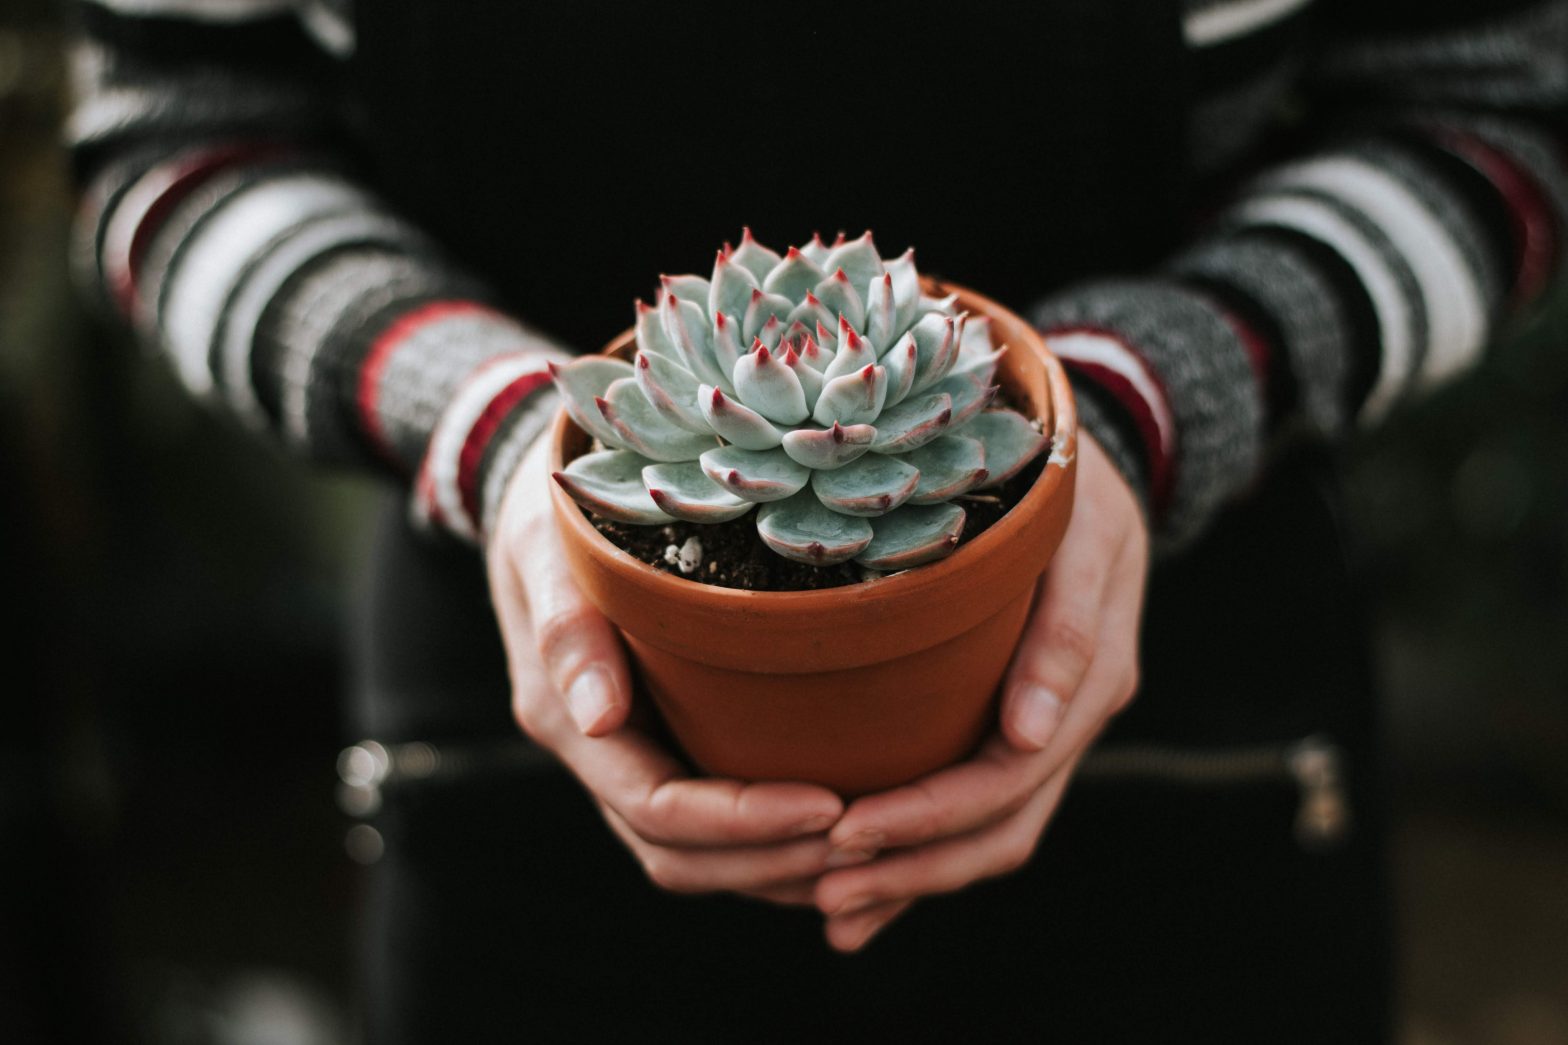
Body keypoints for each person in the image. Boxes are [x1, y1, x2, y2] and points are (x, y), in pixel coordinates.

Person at [67, 0, 1567, 1040]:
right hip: (516, 799)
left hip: (1201, 780)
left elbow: (1487, 110)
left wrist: (1132, 405)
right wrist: (503, 433)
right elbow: (182, 139)